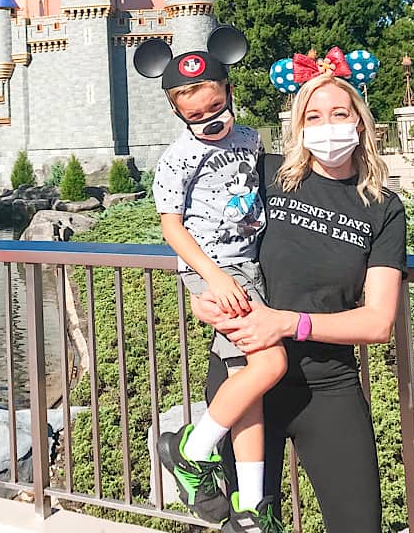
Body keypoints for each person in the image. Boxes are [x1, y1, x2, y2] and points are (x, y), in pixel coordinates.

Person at [193, 48, 406, 533]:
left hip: (328, 387)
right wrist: (203, 296)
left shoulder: (383, 208)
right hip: (245, 379)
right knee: (252, 525)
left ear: (360, 121)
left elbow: (377, 322)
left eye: (339, 113)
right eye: (313, 115)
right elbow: (208, 246)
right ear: (298, 124)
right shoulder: (264, 177)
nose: (327, 125)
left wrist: (289, 322)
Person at [134, 28, 287, 532]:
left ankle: (249, 504)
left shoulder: (249, 138)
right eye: (195, 115)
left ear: (228, 93)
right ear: (178, 112)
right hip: (216, 272)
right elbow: (170, 227)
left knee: (250, 385)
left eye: (216, 108)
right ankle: (190, 449)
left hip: (250, 268)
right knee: (271, 362)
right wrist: (213, 277)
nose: (209, 121)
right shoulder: (177, 158)